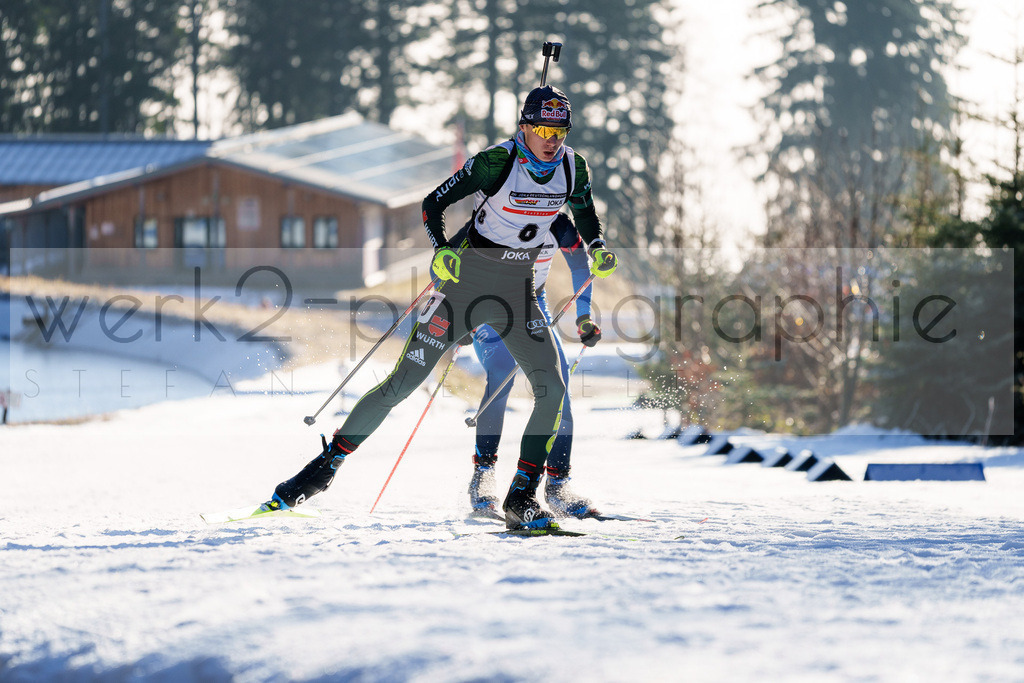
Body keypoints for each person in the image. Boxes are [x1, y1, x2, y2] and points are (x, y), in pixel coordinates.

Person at [261, 84, 618, 530]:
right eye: (543, 128)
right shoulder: (495, 162)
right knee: (400, 386)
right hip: (463, 287)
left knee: (554, 388)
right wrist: (441, 250)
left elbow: (583, 211)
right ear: (524, 127)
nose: (552, 138)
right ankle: (322, 470)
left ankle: (521, 497)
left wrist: (598, 244)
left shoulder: (572, 167)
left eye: (560, 130)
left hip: (516, 291)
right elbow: (434, 204)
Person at [466, 212, 603, 519]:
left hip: (531, 303)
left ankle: (558, 485)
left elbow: (580, 265)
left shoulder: (560, 224)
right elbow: (458, 260)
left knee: (558, 386)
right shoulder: (500, 210)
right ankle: (483, 474)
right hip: (488, 302)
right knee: (501, 373)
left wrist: (584, 317)